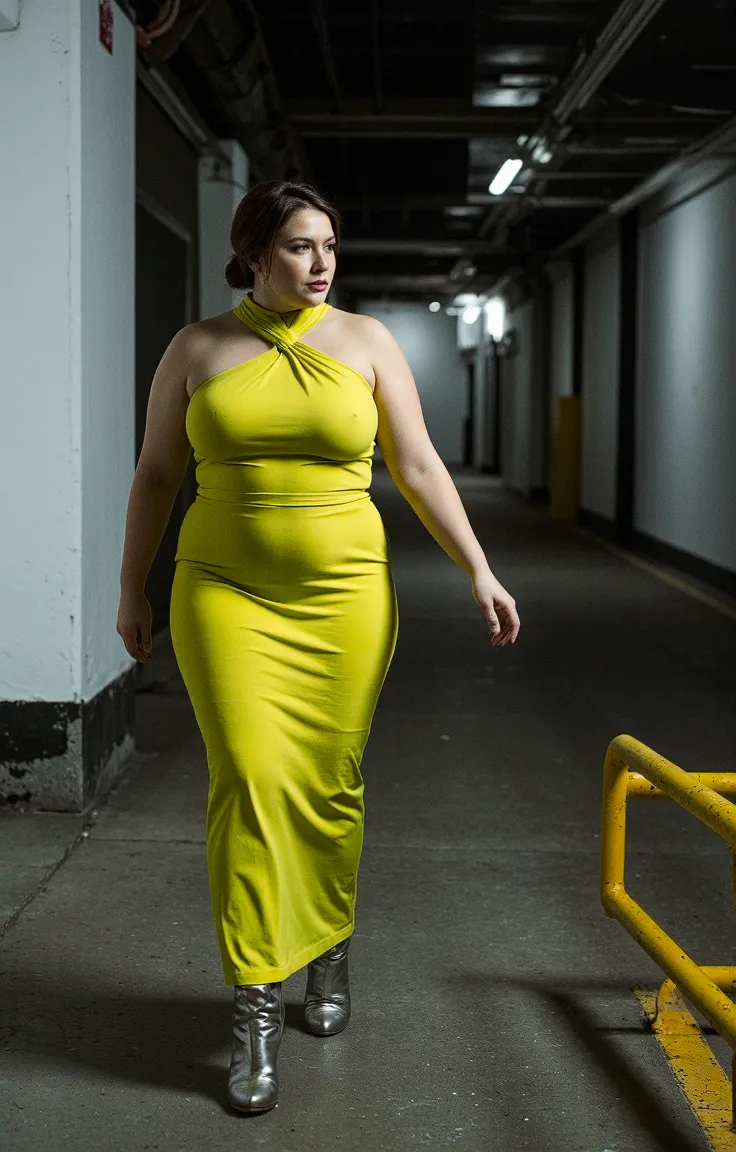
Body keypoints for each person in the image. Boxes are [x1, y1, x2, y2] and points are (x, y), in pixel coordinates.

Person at [117, 180, 520, 1114]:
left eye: (330, 246)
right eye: (300, 246)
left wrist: (479, 570)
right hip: (223, 593)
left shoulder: (368, 343)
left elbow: (416, 466)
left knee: (328, 781)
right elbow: (155, 476)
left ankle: (327, 943)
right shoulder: (197, 349)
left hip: (343, 597)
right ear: (254, 253)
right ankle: (257, 1000)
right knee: (250, 777)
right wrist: (131, 587)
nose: (322, 263)